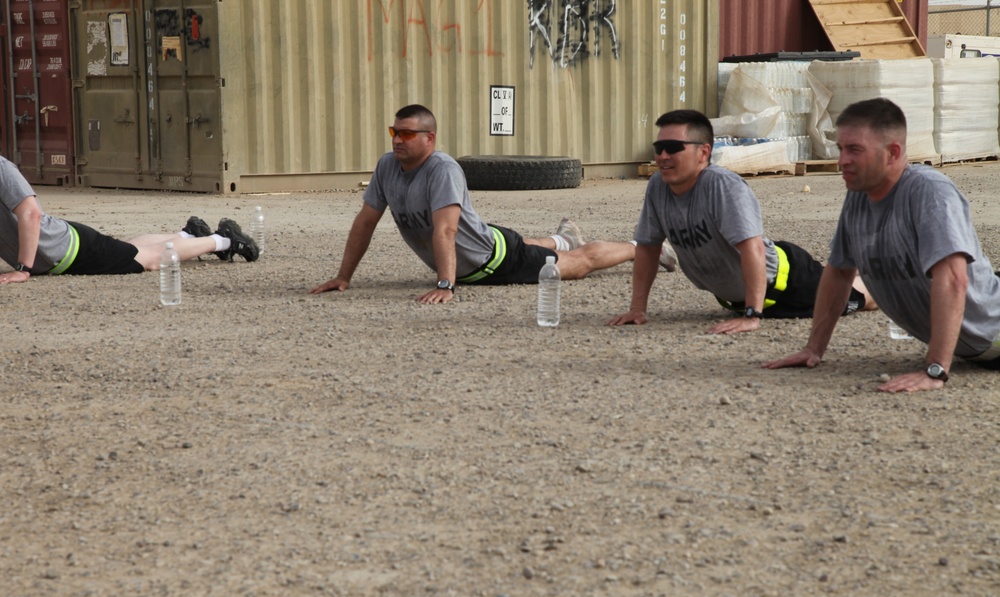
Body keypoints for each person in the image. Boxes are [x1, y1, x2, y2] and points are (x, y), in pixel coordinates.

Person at [765, 97, 1000, 392]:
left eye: (855, 150)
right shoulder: (859, 195)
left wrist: (936, 369)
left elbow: (953, 278)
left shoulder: (929, 192)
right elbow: (838, 273)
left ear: (893, 152)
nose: (842, 160)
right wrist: (813, 349)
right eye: (840, 149)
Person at [309, 104, 638, 304]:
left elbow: (447, 230)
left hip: (494, 263)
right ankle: (564, 237)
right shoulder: (386, 166)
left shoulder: (443, 169)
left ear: (430, 139)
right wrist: (343, 276)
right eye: (395, 131)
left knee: (579, 264)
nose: (397, 139)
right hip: (484, 238)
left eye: (408, 134)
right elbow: (365, 221)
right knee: (515, 240)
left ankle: (642, 247)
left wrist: (445, 284)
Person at [608, 109, 875, 333]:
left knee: (862, 297)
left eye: (674, 148)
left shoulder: (721, 185)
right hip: (744, 295)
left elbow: (752, 248)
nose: (663, 156)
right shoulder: (658, 185)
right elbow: (647, 247)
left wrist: (751, 315)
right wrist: (637, 309)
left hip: (788, 284)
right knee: (839, 276)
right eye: (659, 148)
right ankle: (852, 266)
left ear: (703, 153)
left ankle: (884, 275)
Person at [0, 155, 258, 284]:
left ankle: (224, 239)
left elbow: (30, 214)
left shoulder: (2, 168)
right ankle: (188, 235)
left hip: (68, 249)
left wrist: (23, 269)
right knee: (133, 248)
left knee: (150, 259)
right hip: (61, 251)